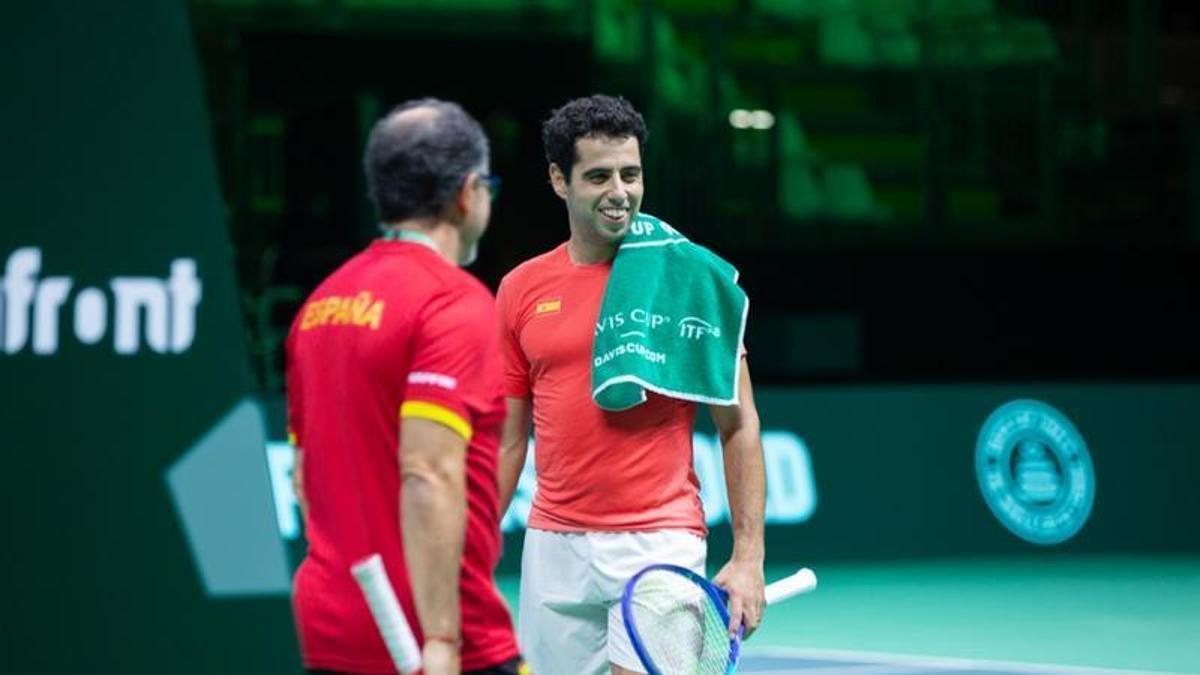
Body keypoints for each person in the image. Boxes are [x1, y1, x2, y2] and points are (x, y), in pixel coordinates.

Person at [496, 94, 767, 674]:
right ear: (558, 180)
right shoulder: (521, 288)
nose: (620, 191)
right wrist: (471, 551)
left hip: (659, 541)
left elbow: (738, 424)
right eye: (598, 176)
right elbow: (508, 440)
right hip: (553, 546)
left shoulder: (690, 278)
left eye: (631, 173)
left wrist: (748, 558)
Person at [287, 98, 525, 675]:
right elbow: (428, 471)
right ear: (469, 193)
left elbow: (304, 479)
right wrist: (442, 639)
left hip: (329, 629)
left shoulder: (319, 306)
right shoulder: (455, 302)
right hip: (436, 641)